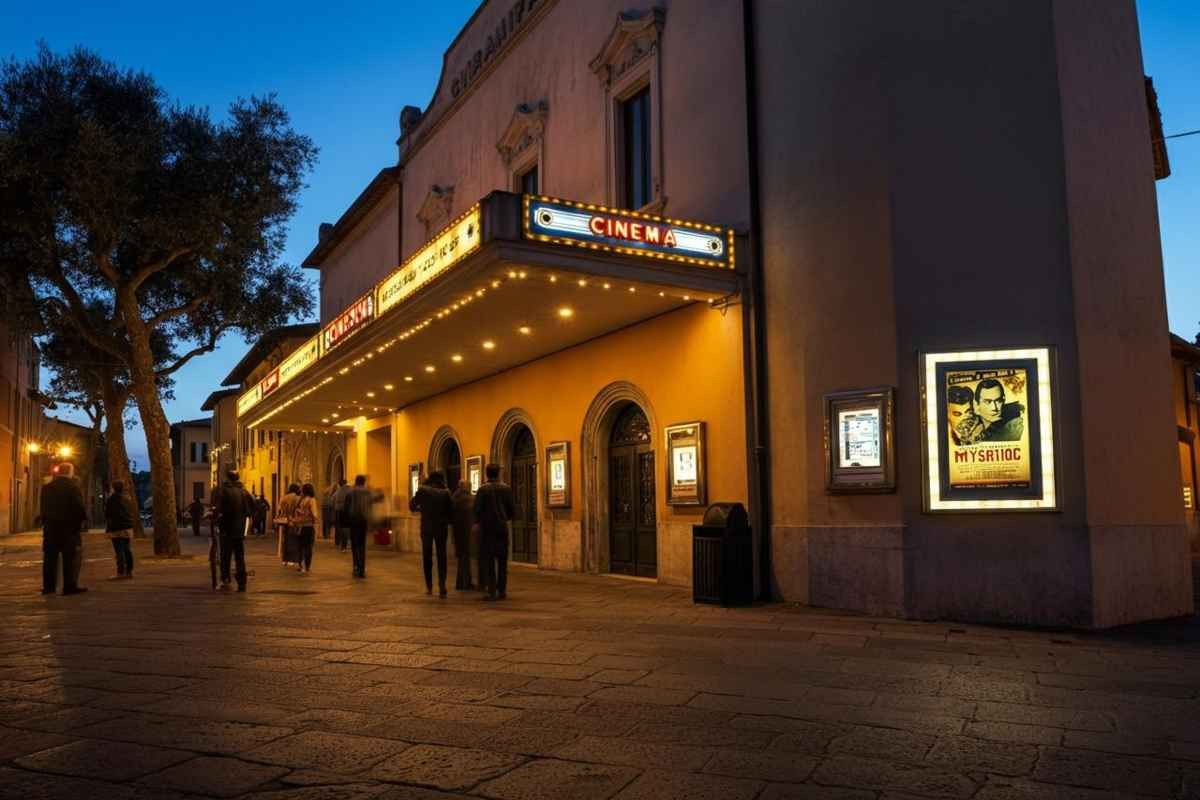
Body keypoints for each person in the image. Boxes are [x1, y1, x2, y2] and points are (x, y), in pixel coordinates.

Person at [41, 462, 88, 595]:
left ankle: (48, 587)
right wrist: (81, 523)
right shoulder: (73, 487)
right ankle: (69, 586)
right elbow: (78, 507)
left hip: (50, 528)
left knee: (50, 559)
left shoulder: (47, 487)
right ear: (70, 472)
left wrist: (46, 522)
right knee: (70, 559)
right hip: (69, 529)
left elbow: (43, 508)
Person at [473, 463, 515, 601]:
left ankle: (491, 591)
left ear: (486, 473)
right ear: (498, 473)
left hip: (487, 528)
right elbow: (512, 511)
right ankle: (502, 590)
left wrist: (479, 522)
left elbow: (477, 510)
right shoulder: (506, 489)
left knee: (489, 560)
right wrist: (504, 518)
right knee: (502, 560)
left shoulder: (482, 490)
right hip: (502, 528)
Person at [410, 471, 453, 597]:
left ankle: (429, 586)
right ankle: (442, 586)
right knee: (442, 557)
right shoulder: (446, 492)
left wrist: (421, 509)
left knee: (427, 557)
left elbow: (412, 505)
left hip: (427, 528)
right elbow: (451, 511)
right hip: (441, 527)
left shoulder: (423, 490)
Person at [213, 470, 254, 591]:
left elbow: (219, 509)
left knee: (225, 556)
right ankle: (242, 583)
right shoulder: (244, 491)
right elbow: (252, 506)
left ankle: (225, 579)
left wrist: (216, 516)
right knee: (239, 557)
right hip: (239, 530)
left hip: (226, 528)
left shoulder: (224, 491)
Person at [344, 475, 373, 578]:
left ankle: (356, 566)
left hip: (354, 521)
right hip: (363, 520)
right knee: (362, 545)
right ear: (364, 482)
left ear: (356, 481)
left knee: (354, 545)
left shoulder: (351, 492)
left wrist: (345, 521)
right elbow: (371, 504)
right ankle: (362, 569)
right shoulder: (368, 492)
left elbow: (346, 507)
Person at [105, 481, 135, 578]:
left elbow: (107, 514)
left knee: (119, 550)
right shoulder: (127, 499)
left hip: (116, 527)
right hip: (127, 526)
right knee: (127, 549)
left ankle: (120, 572)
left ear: (113, 488)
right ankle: (129, 571)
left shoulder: (110, 500)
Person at [451, 479, 475, 591]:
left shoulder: (454, 498)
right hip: (467, 532)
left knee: (462, 558)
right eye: (469, 485)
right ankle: (466, 583)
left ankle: (461, 582)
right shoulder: (468, 499)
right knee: (465, 558)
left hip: (457, 532)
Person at [293, 483, 320, 574]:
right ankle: (307, 566)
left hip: (300, 526)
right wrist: (315, 520)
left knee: (300, 546)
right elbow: (314, 513)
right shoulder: (312, 500)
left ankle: (300, 565)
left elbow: (298, 511)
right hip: (308, 526)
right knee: (308, 547)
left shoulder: (302, 500)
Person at [276, 484, 302, 565]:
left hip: (284, 521)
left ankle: (285, 559)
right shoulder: (297, 498)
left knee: (285, 540)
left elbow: (279, 509)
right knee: (294, 540)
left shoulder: (283, 497)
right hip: (294, 521)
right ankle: (292, 559)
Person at [333, 479, 351, 552]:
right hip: (348, 510)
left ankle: (340, 543)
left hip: (339, 510)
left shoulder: (338, 491)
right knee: (347, 527)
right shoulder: (350, 489)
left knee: (340, 527)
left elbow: (333, 498)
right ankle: (347, 543)